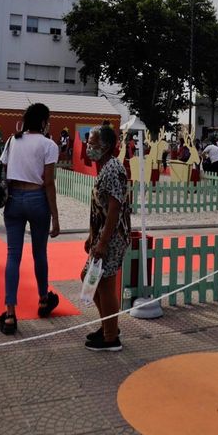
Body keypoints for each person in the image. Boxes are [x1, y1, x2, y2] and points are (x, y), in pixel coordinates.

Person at [0, 103, 61, 335]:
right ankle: (43, 299)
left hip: (13, 199)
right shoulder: (49, 145)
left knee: (13, 255)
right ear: (43, 122)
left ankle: (10, 314)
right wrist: (55, 217)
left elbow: (4, 170)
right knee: (39, 253)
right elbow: (49, 183)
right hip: (37, 199)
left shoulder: (13, 141)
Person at [82, 125, 132, 351]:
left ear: (106, 146)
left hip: (112, 237)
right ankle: (108, 326)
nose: (89, 147)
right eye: (89, 142)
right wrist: (92, 236)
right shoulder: (105, 167)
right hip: (103, 235)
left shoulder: (113, 168)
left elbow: (114, 209)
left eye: (93, 143)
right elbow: (100, 208)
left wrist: (102, 242)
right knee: (89, 277)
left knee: (103, 284)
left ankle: (111, 337)